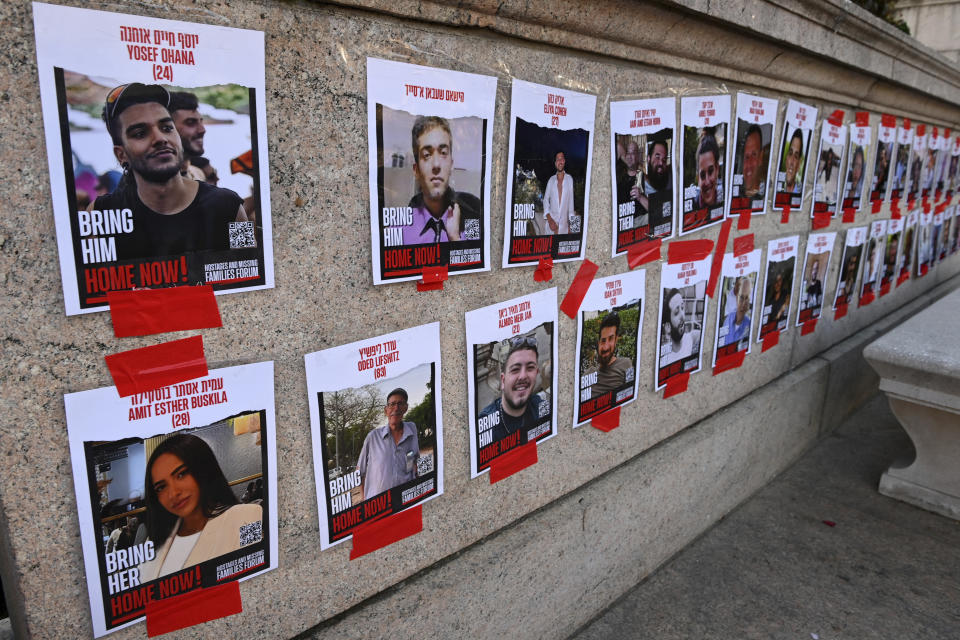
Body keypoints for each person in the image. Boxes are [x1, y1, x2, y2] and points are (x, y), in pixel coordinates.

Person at [93, 83, 249, 260]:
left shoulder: (230, 205)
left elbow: (251, 268)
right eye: (139, 133)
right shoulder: (99, 214)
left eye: (167, 128)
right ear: (121, 154)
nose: (160, 138)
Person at [138, 433, 262, 582]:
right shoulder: (155, 540)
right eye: (161, 487)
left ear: (203, 470)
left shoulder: (247, 517)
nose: (173, 493)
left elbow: (254, 580)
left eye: (181, 474)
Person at [402, 115, 481, 244]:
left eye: (443, 153)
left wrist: (455, 239)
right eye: (427, 155)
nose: (437, 165)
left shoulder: (472, 216)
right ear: (416, 170)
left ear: (451, 164)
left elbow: (476, 260)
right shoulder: (402, 228)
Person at [479, 336, 546, 444]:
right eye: (515, 369)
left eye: (530, 368)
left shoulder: (540, 406)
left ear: (537, 372)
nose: (523, 376)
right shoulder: (486, 424)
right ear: (503, 380)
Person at [356, 388, 420, 500]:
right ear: (386, 410)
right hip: (378, 505)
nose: (396, 408)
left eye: (400, 404)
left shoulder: (411, 430)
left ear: (406, 408)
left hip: (405, 500)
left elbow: (411, 461)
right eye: (392, 404)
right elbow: (359, 471)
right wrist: (364, 499)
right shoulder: (373, 437)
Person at [589, 312, 633, 399]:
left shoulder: (626, 364)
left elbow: (631, 393)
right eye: (603, 340)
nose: (605, 347)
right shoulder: (589, 373)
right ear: (598, 343)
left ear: (616, 340)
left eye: (611, 339)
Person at [168, 91, 207, 181]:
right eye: (190, 123)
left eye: (201, 121)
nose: (202, 130)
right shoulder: (154, 184)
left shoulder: (198, 174)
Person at [543, 150, 575, 234]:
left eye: (562, 159)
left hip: (564, 227)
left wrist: (572, 227)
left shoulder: (570, 179)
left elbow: (571, 205)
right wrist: (550, 220)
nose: (560, 161)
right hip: (551, 226)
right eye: (558, 159)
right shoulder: (551, 180)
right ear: (555, 163)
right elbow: (545, 200)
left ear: (564, 161)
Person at [660, 288, 693, 366]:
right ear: (668, 324)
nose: (682, 316)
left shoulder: (689, 339)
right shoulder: (663, 358)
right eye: (676, 312)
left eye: (682, 308)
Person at [721, 277, 752, 347]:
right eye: (741, 297)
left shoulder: (748, 323)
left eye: (746, 298)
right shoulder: (728, 319)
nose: (743, 302)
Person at [695, 133, 720, 208]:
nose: (707, 182)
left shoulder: (724, 198)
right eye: (702, 175)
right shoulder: (693, 205)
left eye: (710, 171)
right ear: (697, 178)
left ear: (717, 169)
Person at [741, 124, 764, 198]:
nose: (749, 163)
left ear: (760, 157)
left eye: (754, 154)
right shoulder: (735, 195)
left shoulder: (764, 196)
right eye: (746, 157)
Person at [783, 128, 804, 194]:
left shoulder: (800, 193)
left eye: (796, 156)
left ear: (799, 165)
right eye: (790, 153)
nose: (791, 162)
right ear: (786, 159)